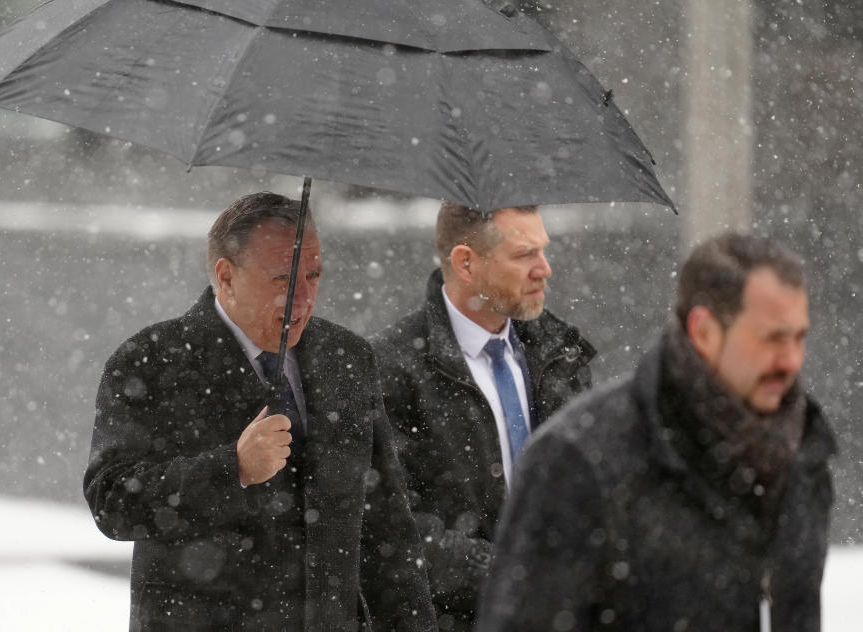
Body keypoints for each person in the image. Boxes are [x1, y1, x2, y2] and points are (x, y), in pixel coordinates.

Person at [84, 192, 435, 632]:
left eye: (314, 275)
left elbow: (388, 529)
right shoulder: (152, 362)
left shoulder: (347, 359)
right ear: (226, 277)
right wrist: (233, 469)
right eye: (283, 280)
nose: (304, 298)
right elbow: (112, 502)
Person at [475, 232, 837, 632]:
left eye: (799, 337)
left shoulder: (803, 453)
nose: (790, 360)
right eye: (772, 338)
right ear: (704, 331)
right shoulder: (578, 460)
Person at [371, 203, 595, 631]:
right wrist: (509, 574)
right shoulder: (389, 371)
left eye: (542, 251)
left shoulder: (560, 354)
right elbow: (390, 529)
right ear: (466, 263)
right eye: (524, 254)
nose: (544, 269)